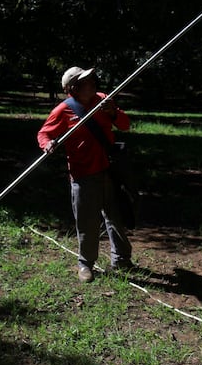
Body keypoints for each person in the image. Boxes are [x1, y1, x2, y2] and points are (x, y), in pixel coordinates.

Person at [37, 66, 134, 283]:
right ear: (74, 88)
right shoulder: (63, 110)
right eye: (86, 80)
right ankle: (85, 264)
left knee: (116, 215)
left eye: (91, 78)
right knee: (88, 221)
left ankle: (122, 259)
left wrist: (113, 112)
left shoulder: (103, 99)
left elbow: (125, 125)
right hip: (83, 173)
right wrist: (48, 143)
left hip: (110, 168)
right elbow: (44, 133)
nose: (92, 82)